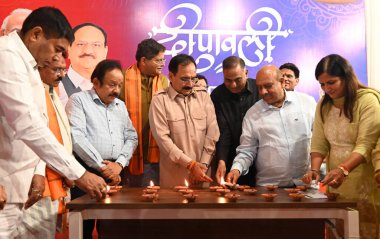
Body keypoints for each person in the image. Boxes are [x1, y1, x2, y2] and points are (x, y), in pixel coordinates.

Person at [0, 7, 107, 238]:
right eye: (57, 49)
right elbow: (26, 123)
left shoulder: (27, 64)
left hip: (17, 187)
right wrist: (79, 173)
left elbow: (38, 121)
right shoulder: (6, 55)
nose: (57, 59)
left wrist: (37, 170)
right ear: (35, 34)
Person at [302, 54, 380, 238]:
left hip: (363, 180)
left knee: (363, 230)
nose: (326, 89)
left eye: (332, 82)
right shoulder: (323, 105)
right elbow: (319, 142)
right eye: (322, 84)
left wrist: (343, 169)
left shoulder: (368, 101)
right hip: (335, 182)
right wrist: (314, 169)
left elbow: (365, 145)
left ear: (346, 78)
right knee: (338, 231)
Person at [66, 59, 138, 238]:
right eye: (112, 84)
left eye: (119, 85)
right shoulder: (79, 100)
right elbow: (77, 137)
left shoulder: (119, 105)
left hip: (116, 174)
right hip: (87, 173)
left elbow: (131, 136)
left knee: (113, 228)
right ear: (96, 82)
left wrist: (119, 164)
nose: (117, 90)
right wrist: (102, 167)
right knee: (84, 227)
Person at [227, 65, 316, 187]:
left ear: (282, 82)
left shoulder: (307, 103)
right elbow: (247, 150)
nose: (263, 92)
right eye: (259, 87)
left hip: (306, 185)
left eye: (268, 86)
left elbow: (320, 142)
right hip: (270, 189)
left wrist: (316, 169)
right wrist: (236, 169)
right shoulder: (252, 114)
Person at [18, 59, 72, 239]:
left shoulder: (51, 92)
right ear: (39, 67)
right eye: (57, 69)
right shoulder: (31, 93)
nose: (62, 75)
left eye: (64, 70)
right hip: (36, 181)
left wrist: (69, 171)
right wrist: (38, 173)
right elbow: (33, 138)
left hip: (56, 179)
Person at [149, 54, 220, 188]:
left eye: (193, 79)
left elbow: (213, 133)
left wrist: (202, 166)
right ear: (171, 76)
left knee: (205, 208)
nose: (190, 84)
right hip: (175, 179)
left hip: (202, 176)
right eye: (184, 79)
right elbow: (164, 141)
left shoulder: (203, 96)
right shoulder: (159, 101)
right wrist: (191, 165)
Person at [121, 38, 168, 187]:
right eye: (158, 60)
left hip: (156, 154)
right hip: (127, 153)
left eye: (163, 60)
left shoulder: (165, 82)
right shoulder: (122, 79)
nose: (162, 64)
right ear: (143, 60)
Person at [211, 56, 260, 186]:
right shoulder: (217, 95)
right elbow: (222, 131)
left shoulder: (259, 89)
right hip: (230, 158)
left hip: (261, 159)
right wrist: (221, 160)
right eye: (228, 80)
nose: (233, 85)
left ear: (246, 73)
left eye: (238, 80)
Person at [59, 22, 108, 107]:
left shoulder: (116, 87)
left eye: (96, 45)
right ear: (68, 49)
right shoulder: (55, 87)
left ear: (105, 51)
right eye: (81, 44)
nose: (88, 51)